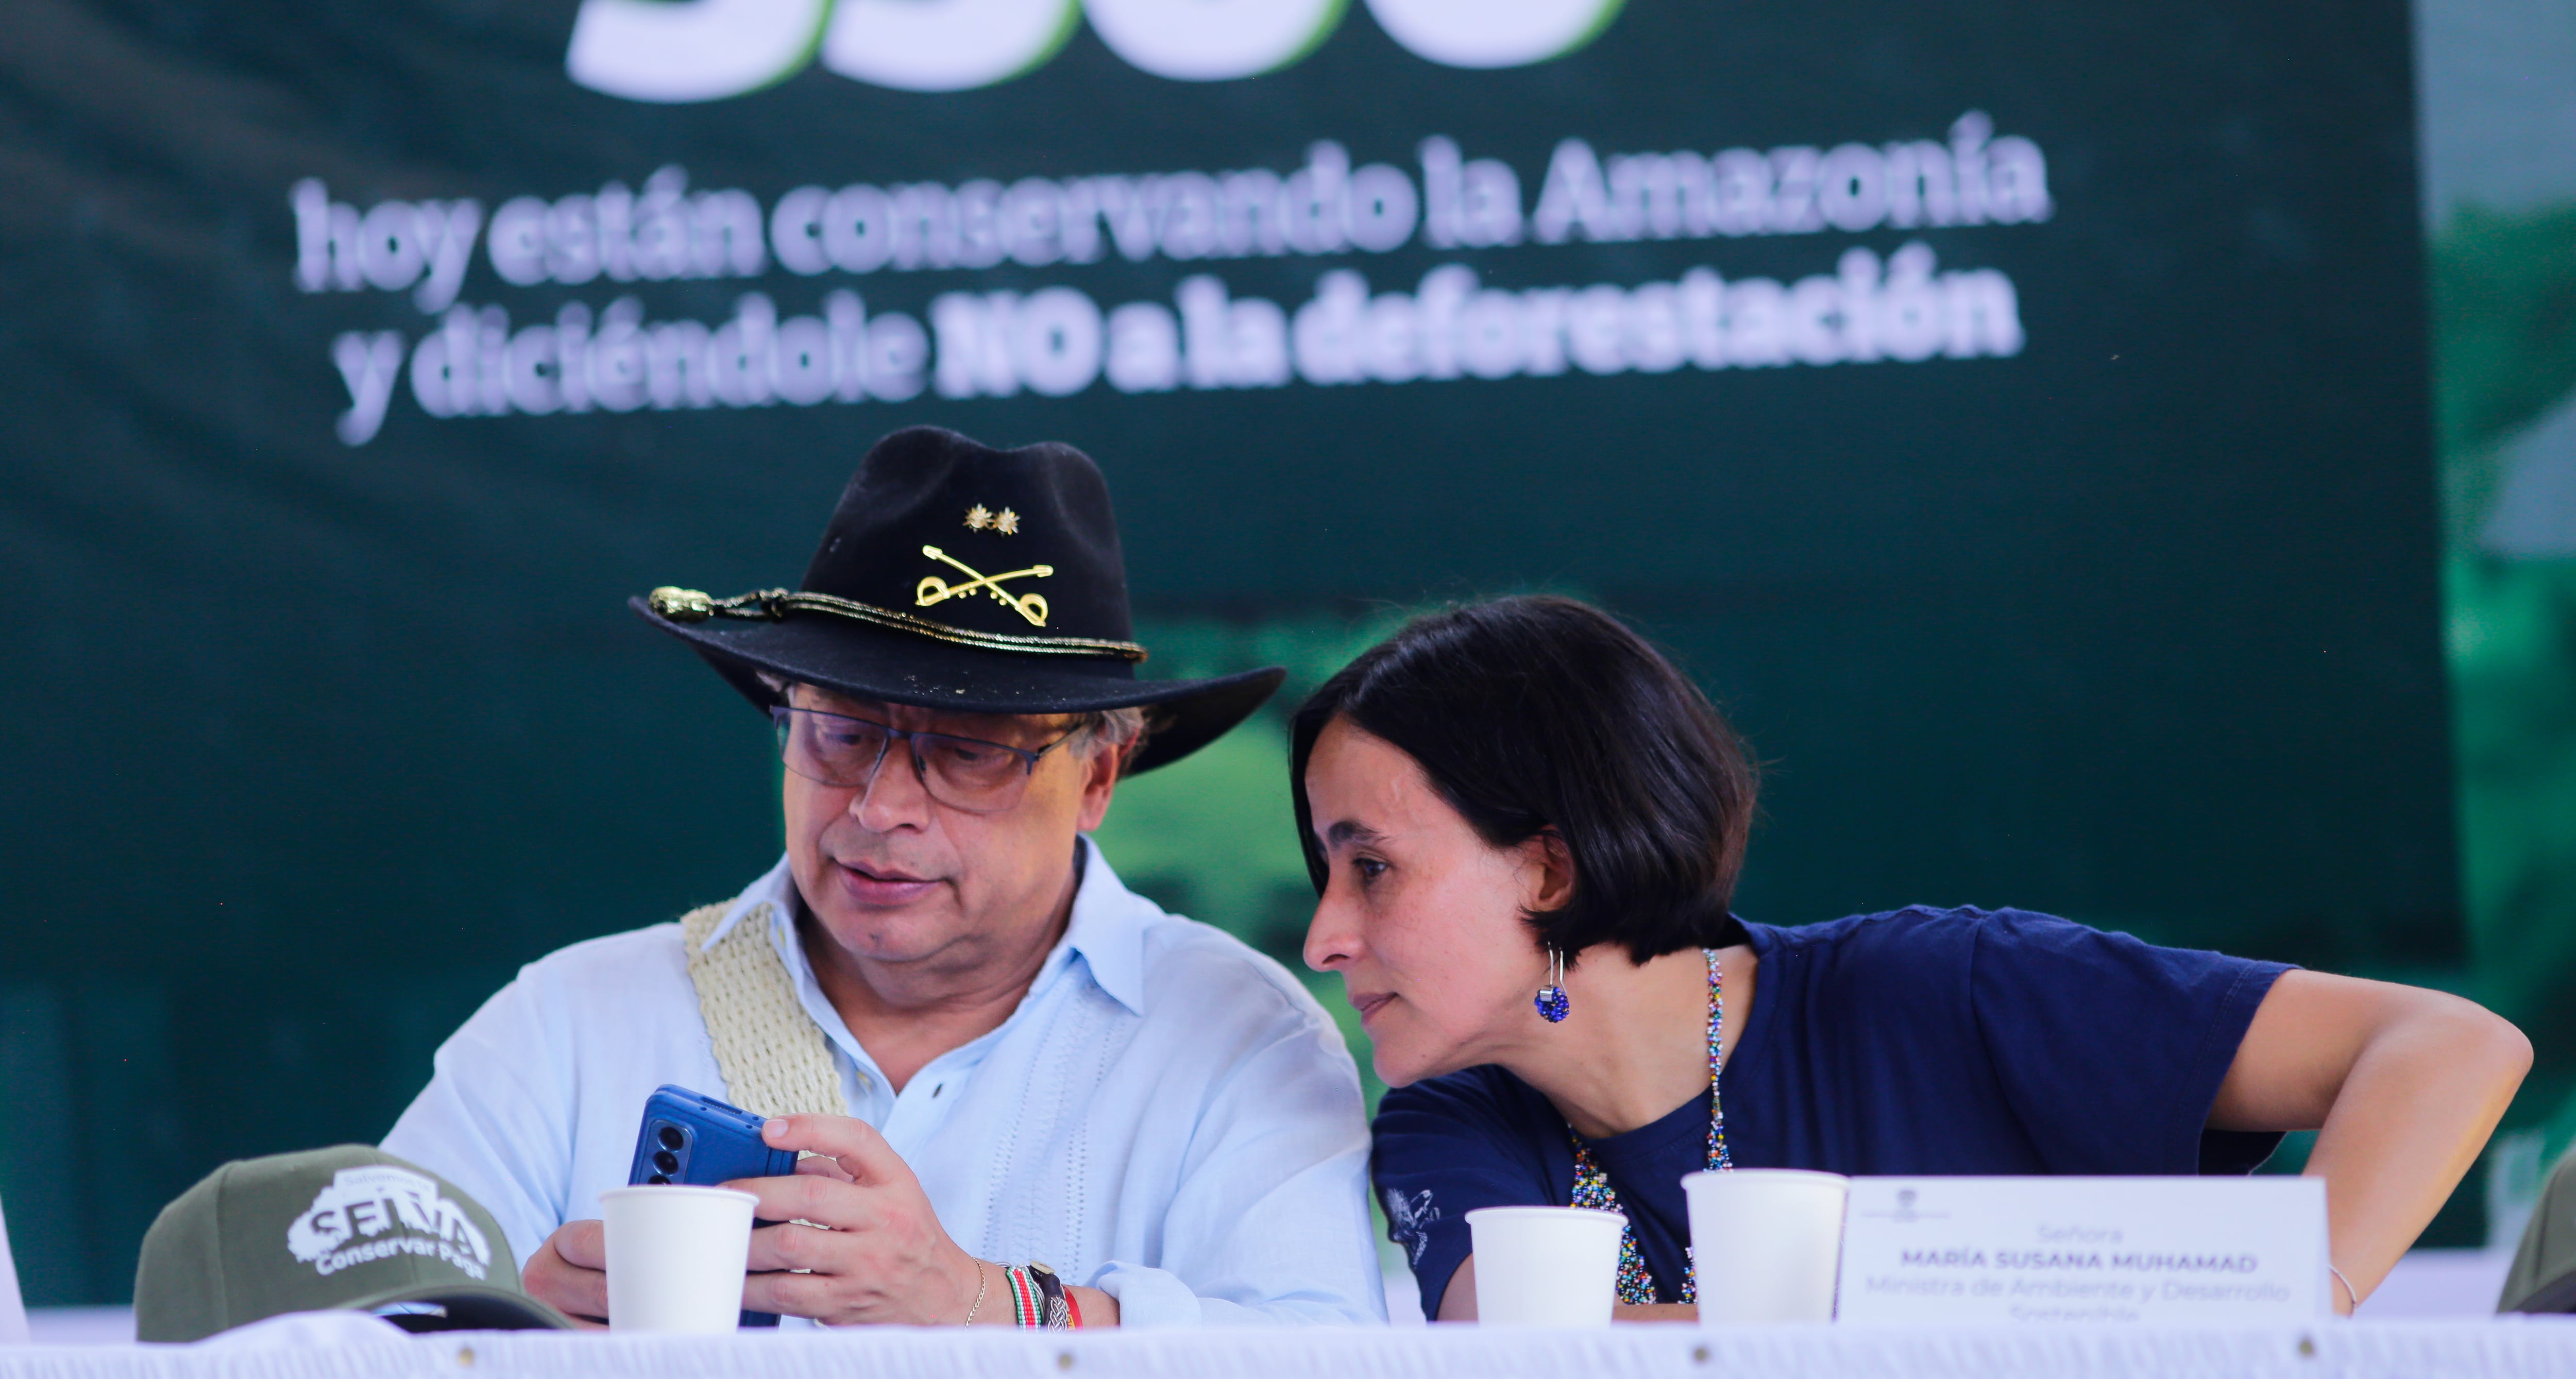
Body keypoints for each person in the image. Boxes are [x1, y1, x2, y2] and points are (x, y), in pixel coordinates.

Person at [1293, 595, 2532, 1323]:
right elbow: (1542, 1350)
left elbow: (2446, 1044)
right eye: (1324, 873)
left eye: (1374, 866)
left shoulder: (1944, 989)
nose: (1323, 934)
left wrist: (2283, 1318)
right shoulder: (1444, 1118)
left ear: (1549, 871)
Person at [386, 426, 1384, 1329]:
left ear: (1098, 775)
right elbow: (337, 1332)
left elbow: (1325, 1353)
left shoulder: (1241, 1033)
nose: (879, 806)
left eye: (968, 753)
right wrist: (508, 1330)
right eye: (843, 732)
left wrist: (984, 1307)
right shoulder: (567, 1022)